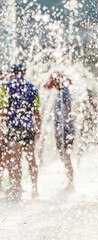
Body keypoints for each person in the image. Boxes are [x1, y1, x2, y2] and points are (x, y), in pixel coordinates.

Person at [1, 64, 41, 201]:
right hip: (29, 127)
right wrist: (39, 129)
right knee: (31, 159)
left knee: (15, 160)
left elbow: (3, 111)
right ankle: (35, 189)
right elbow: (36, 112)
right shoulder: (33, 88)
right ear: (24, 73)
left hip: (13, 127)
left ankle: (16, 189)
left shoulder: (6, 87)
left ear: (13, 73)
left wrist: (1, 130)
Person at [44, 71, 75, 192]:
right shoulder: (61, 93)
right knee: (64, 157)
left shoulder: (64, 93)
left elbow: (65, 112)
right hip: (64, 129)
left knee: (66, 157)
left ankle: (71, 183)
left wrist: (59, 128)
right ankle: (69, 181)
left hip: (66, 130)